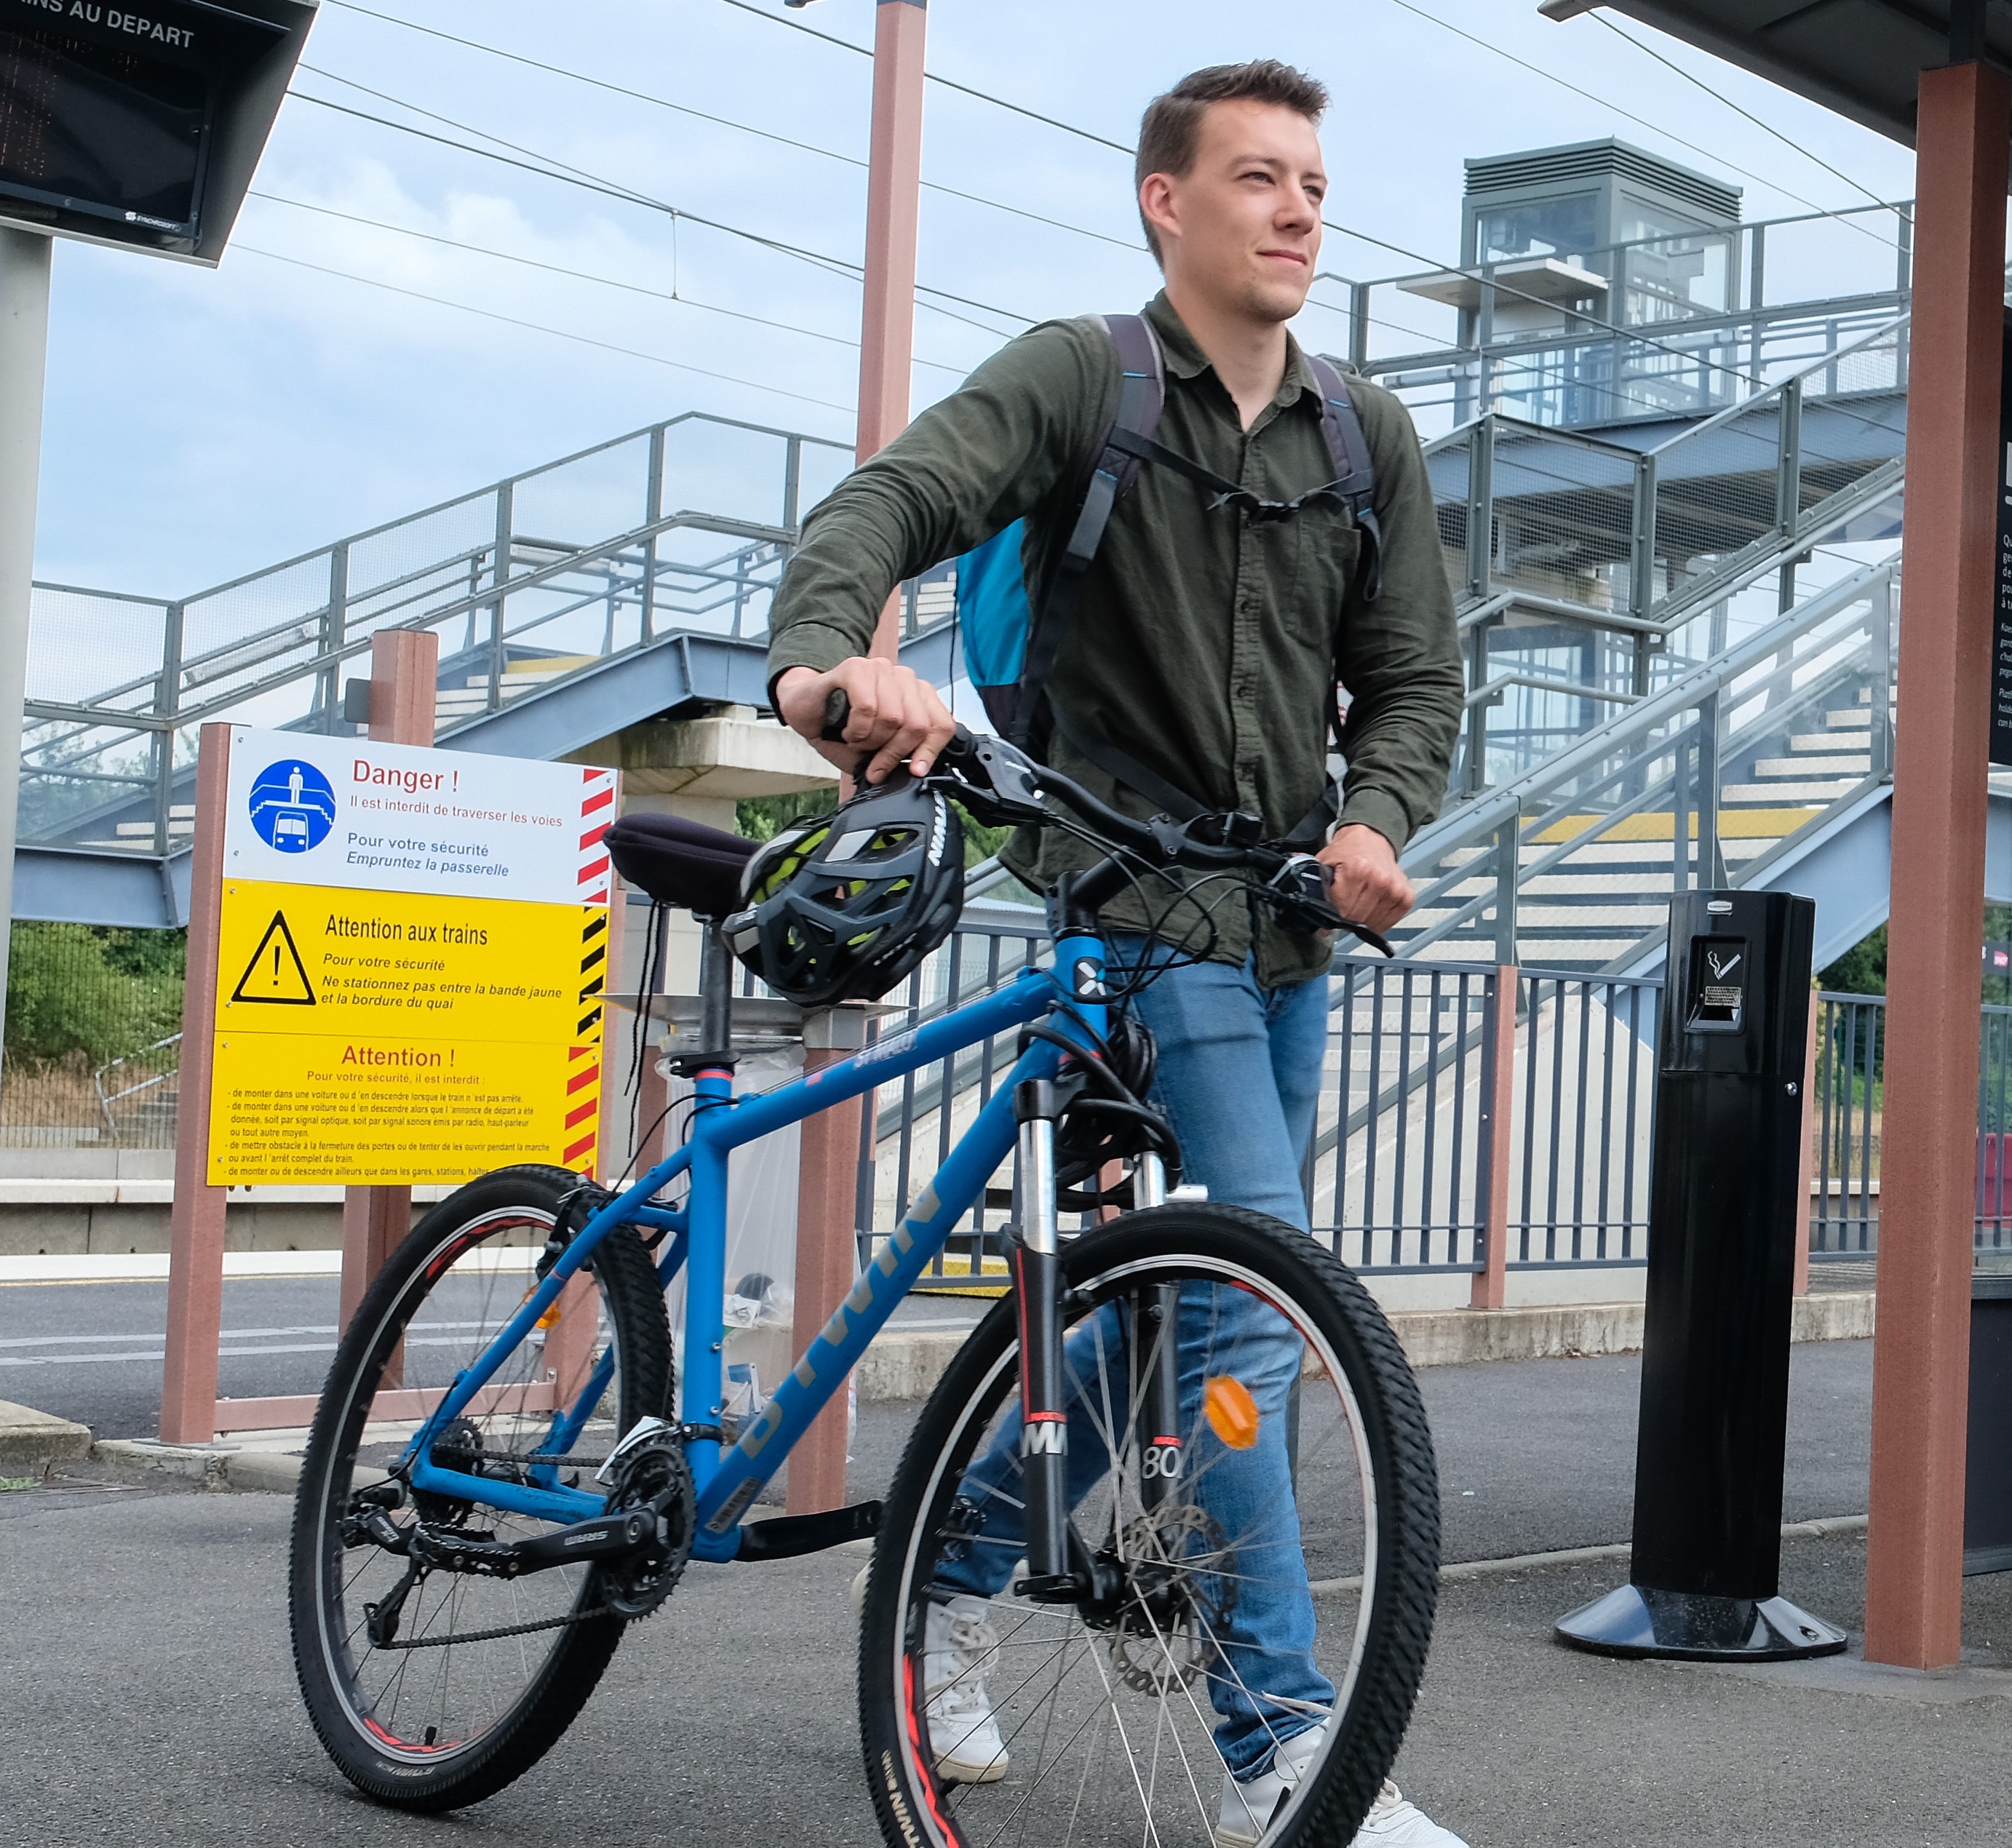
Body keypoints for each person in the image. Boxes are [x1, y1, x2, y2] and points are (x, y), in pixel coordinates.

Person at [762, 59, 1466, 1847]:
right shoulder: (1088, 377)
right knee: (1256, 1300)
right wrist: (826, 662)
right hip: (1133, 923)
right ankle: (1282, 1751)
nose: (1301, 207)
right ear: (1168, 202)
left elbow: (1414, 678)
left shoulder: (1365, 436)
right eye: (1259, 177)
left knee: (1147, 1342)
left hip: (1288, 927)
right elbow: (893, 502)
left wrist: (1375, 816)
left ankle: (939, 1586)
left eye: (1314, 178)